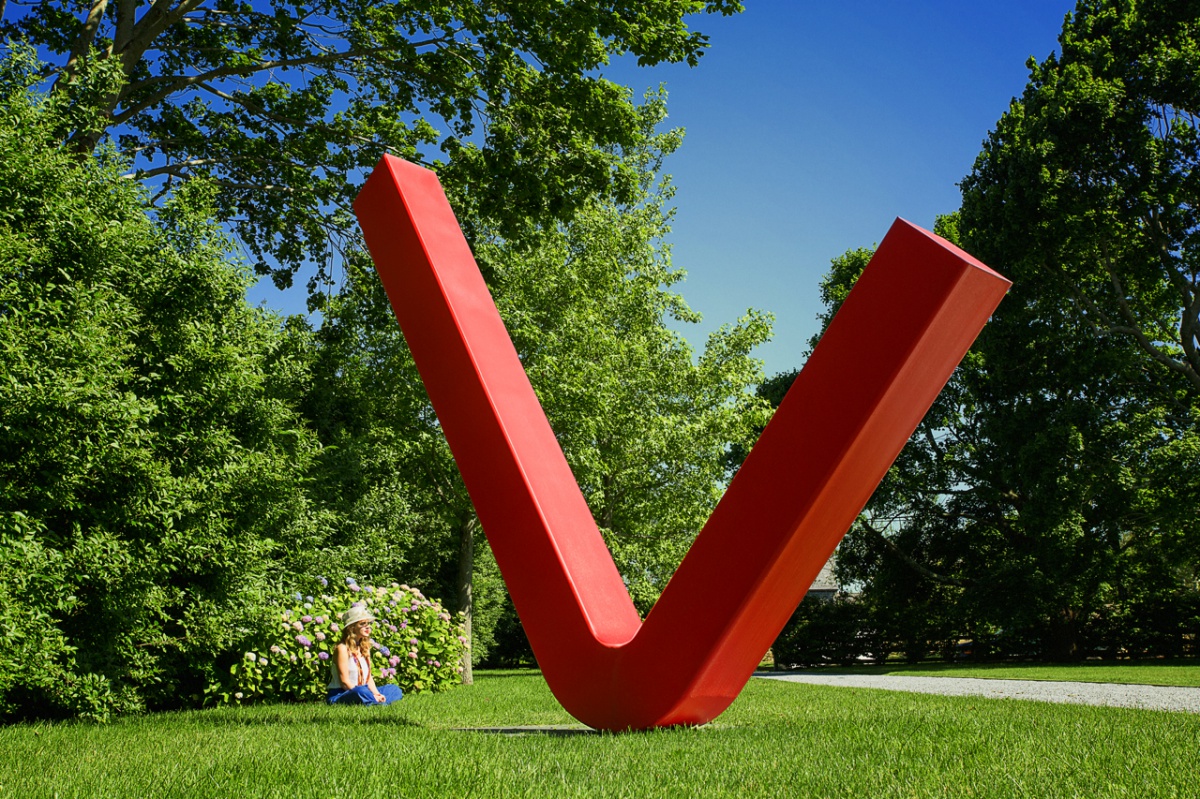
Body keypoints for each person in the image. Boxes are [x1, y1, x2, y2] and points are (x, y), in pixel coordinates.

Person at [326, 605, 403, 705]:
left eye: (368, 623)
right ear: (352, 628)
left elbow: (368, 677)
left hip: (364, 690)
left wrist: (377, 693)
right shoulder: (342, 648)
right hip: (343, 693)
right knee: (361, 692)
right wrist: (368, 694)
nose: (367, 627)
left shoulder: (365, 647)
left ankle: (373, 700)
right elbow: (344, 682)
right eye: (362, 624)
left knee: (394, 689)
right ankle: (374, 701)